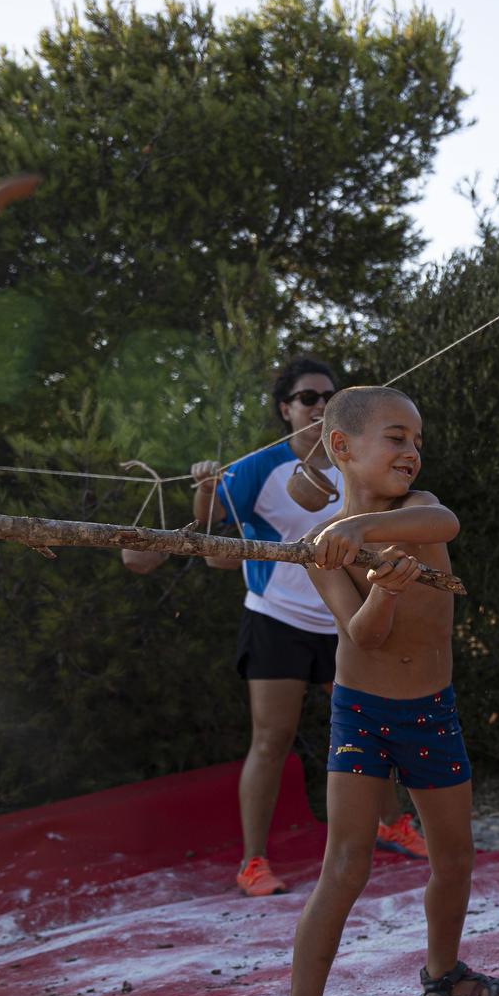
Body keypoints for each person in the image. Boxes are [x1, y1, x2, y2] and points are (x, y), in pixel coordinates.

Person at [268, 385, 499, 996]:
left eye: (416, 440)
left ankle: (442, 972)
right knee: (345, 863)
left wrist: (363, 534)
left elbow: (448, 522)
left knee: (455, 855)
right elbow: (363, 633)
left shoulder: (416, 513)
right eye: (395, 437)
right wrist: (385, 587)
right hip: (362, 712)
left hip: (431, 710)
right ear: (342, 447)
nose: (410, 451)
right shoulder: (322, 549)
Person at [188, 357, 361, 897]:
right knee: (271, 740)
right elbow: (210, 532)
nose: (319, 406)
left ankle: (389, 825)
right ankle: (253, 862)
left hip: (343, 620)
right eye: (308, 398)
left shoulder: (353, 461)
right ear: (286, 409)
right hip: (276, 618)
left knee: (368, 729)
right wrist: (204, 485)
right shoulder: (259, 467)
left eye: (329, 397)